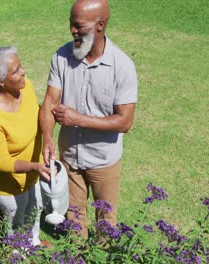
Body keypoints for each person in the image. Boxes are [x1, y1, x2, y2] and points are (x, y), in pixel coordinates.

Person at [39, 0, 138, 238]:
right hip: (70, 158)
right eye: (71, 25)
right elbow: (50, 102)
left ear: (100, 25)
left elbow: (124, 122)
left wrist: (78, 119)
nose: (73, 30)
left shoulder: (122, 66)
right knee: (74, 218)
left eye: (78, 26)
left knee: (105, 222)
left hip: (104, 161)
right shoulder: (62, 57)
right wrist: (47, 139)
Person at [0, 46, 51, 246]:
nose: (23, 72)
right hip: (7, 184)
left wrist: (49, 139)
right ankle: (16, 252)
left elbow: (38, 114)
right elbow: (1, 162)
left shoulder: (26, 87)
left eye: (21, 66)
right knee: (16, 219)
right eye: (16, 70)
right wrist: (34, 166)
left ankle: (33, 242)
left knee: (35, 209)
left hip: (33, 171)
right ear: (0, 82)